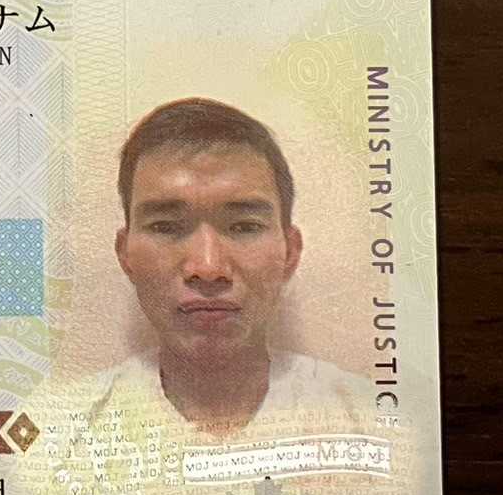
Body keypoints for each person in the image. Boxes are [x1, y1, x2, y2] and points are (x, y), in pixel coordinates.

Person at [90, 97, 364, 443]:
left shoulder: (373, 423)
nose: (208, 268)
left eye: (245, 227)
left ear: (290, 251)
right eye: (166, 227)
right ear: (125, 254)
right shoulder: (58, 435)